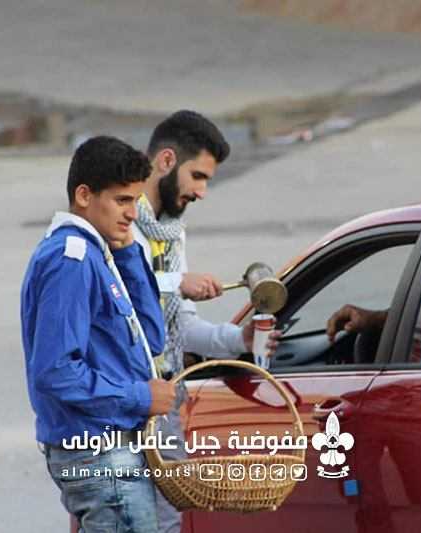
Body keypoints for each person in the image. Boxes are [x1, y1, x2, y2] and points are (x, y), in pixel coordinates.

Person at [132, 110, 280, 533]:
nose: (202, 192)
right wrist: (175, 283)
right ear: (166, 161)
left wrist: (240, 339)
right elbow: (112, 293)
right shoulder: (121, 219)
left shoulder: (172, 231)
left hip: (165, 401)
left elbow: (182, 329)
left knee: (166, 522)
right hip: (121, 403)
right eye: (197, 176)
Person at [20, 136, 177, 533]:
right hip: (99, 452)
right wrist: (141, 397)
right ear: (84, 195)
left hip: (112, 449)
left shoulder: (98, 251)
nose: (132, 214)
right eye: (122, 200)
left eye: (135, 201)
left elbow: (150, 340)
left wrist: (127, 253)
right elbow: (55, 370)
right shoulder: (70, 259)